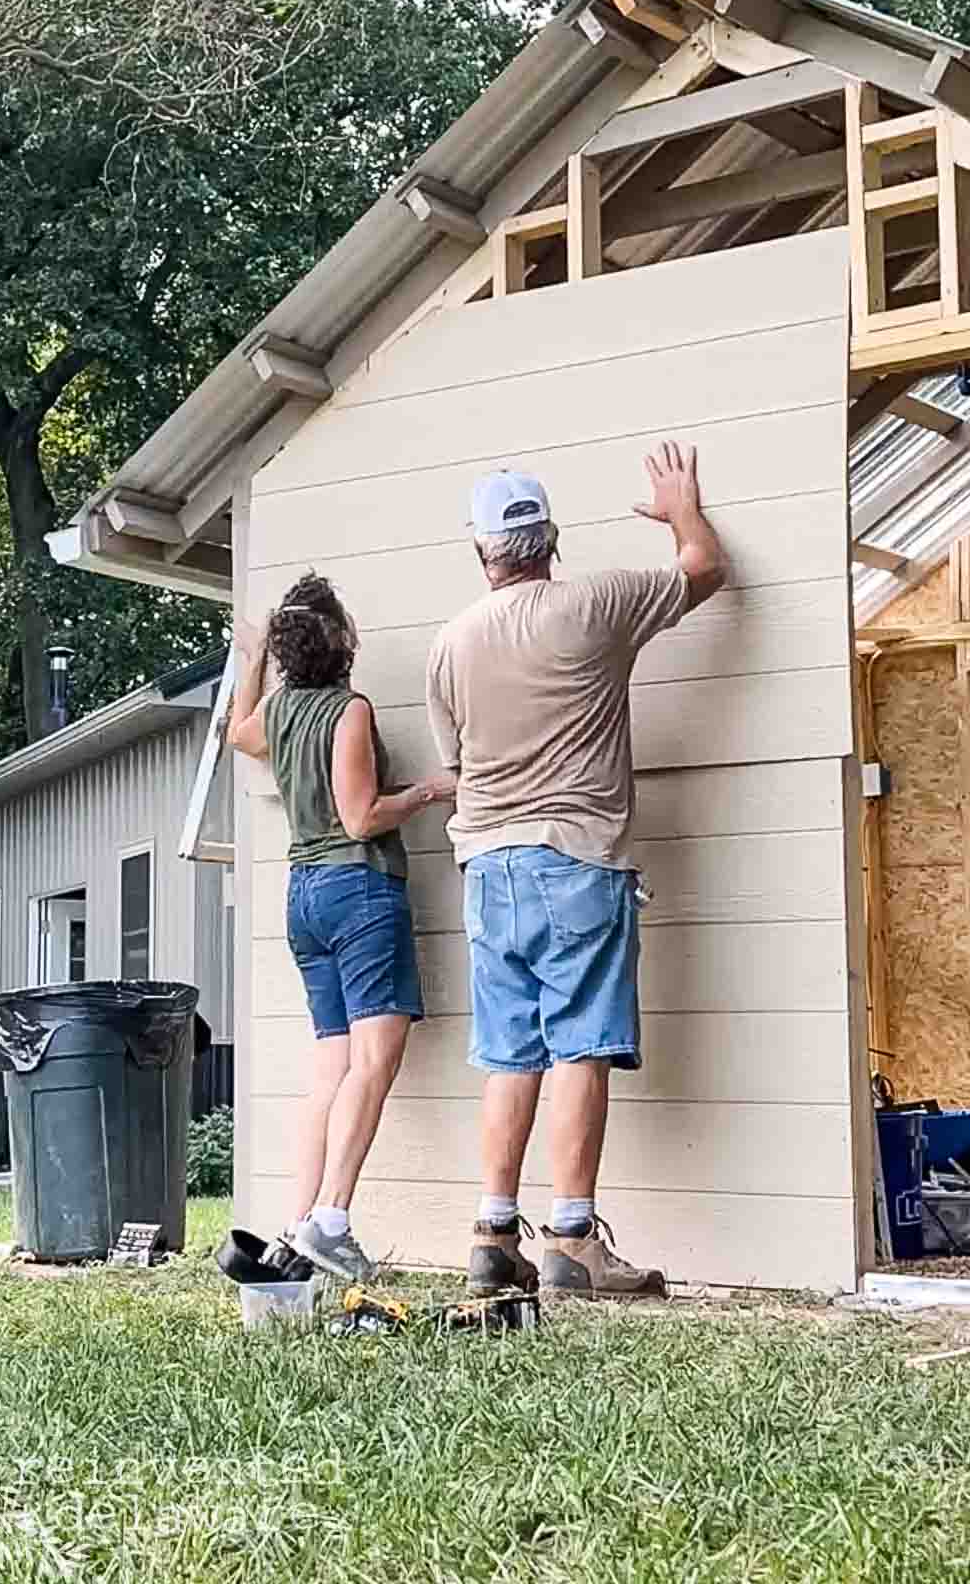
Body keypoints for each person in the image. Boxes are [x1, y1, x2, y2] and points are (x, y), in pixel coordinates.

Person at [426, 442, 726, 1298]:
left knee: (510, 1055)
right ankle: (572, 1240)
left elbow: (458, 762)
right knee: (580, 1048)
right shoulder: (597, 604)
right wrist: (680, 508)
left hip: (488, 865)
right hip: (576, 859)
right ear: (550, 539)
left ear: (482, 552)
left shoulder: (450, 643)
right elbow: (704, 569)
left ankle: (491, 1234)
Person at [229, 571, 455, 1280]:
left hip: (302, 898)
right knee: (373, 1061)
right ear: (343, 639)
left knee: (330, 1067)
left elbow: (238, 733)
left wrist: (251, 661)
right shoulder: (346, 710)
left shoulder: (281, 709)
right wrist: (424, 792)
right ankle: (331, 1218)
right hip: (357, 887)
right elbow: (361, 817)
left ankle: (297, 1223)